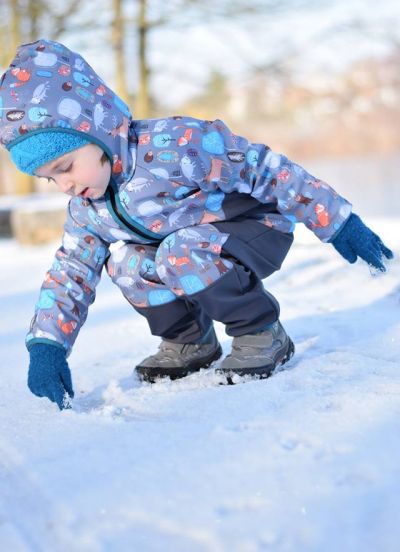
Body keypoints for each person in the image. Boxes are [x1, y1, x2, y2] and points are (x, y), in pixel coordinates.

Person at [0, 39, 393, 410]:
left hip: (255, 228)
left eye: (65, 166)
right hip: (192, 247)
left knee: (179, 250)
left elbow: (267, 170)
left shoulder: (176, 146)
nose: (65, 184)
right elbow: (71, 271)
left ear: (95, 130)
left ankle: (262, 332)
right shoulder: (88, 207)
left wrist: (338, 221)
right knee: (127, 263)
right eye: (51, 178)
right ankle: (191, 342)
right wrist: (47, 345)